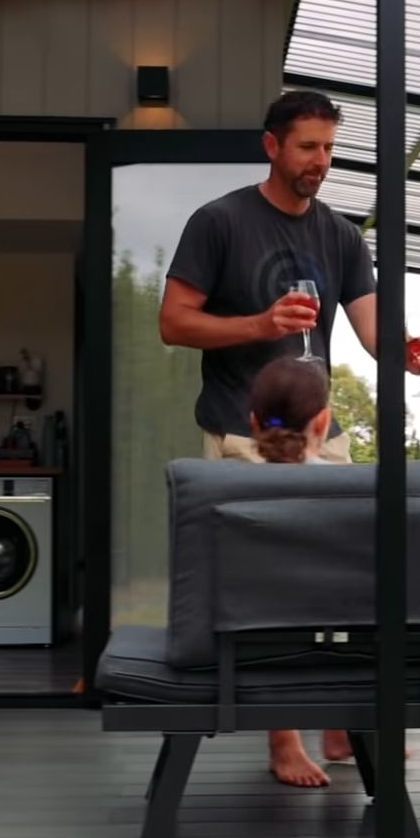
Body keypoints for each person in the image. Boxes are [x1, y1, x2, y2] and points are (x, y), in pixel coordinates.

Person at [159, 90, 380, 465]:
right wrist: (261, 326)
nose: (321, 161)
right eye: (308, 147)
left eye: (328, 148)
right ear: (271, 146)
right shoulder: (219, 222)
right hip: (242, 437)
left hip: (320, 438)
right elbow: (173, 324)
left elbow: (376, 334)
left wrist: (409, 350)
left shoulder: (342, 235)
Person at [244, 358, 353, 787]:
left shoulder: (219, 489)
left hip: (251, 649)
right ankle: (335, 728)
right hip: (335, 647)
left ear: (252, 422)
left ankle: (287, 738)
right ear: (323, 422)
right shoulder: (354, 491)